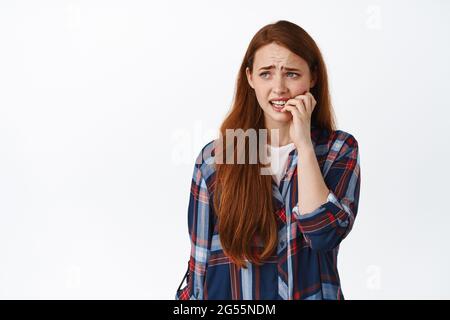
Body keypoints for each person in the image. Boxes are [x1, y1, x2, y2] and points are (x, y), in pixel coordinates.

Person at [175, 20, 361, 300]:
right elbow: (199, 264)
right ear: (250, 78)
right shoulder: (216, 159)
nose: (279, 88)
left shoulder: (338, 149)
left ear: (313, 77)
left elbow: (323, 235)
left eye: (292, 74)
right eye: (266, 74)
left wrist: (304, 146)